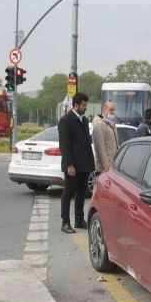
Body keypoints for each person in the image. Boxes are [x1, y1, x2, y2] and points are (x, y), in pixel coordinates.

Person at [58, 92, 95, 234]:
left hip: (84, 164)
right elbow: (65, 145)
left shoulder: (84, 121)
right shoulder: (66, 120)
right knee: (68, 193)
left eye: (86, 105)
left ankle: (79, 220)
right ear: (75, 105)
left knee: (81, 193)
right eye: (83, 105)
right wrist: (69, 165)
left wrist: (91, 165)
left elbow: (87, 143)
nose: (86, 107)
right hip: (72, 165)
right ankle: (65, 222)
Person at [92, 100, 119, 174]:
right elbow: (100, 148)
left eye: (114, 110)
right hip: (104, 169)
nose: (113, 112)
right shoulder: (99, 124)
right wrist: (106, 167)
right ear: (104, 109)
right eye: (111, 109)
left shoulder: (111, 124)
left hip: (112, 166)